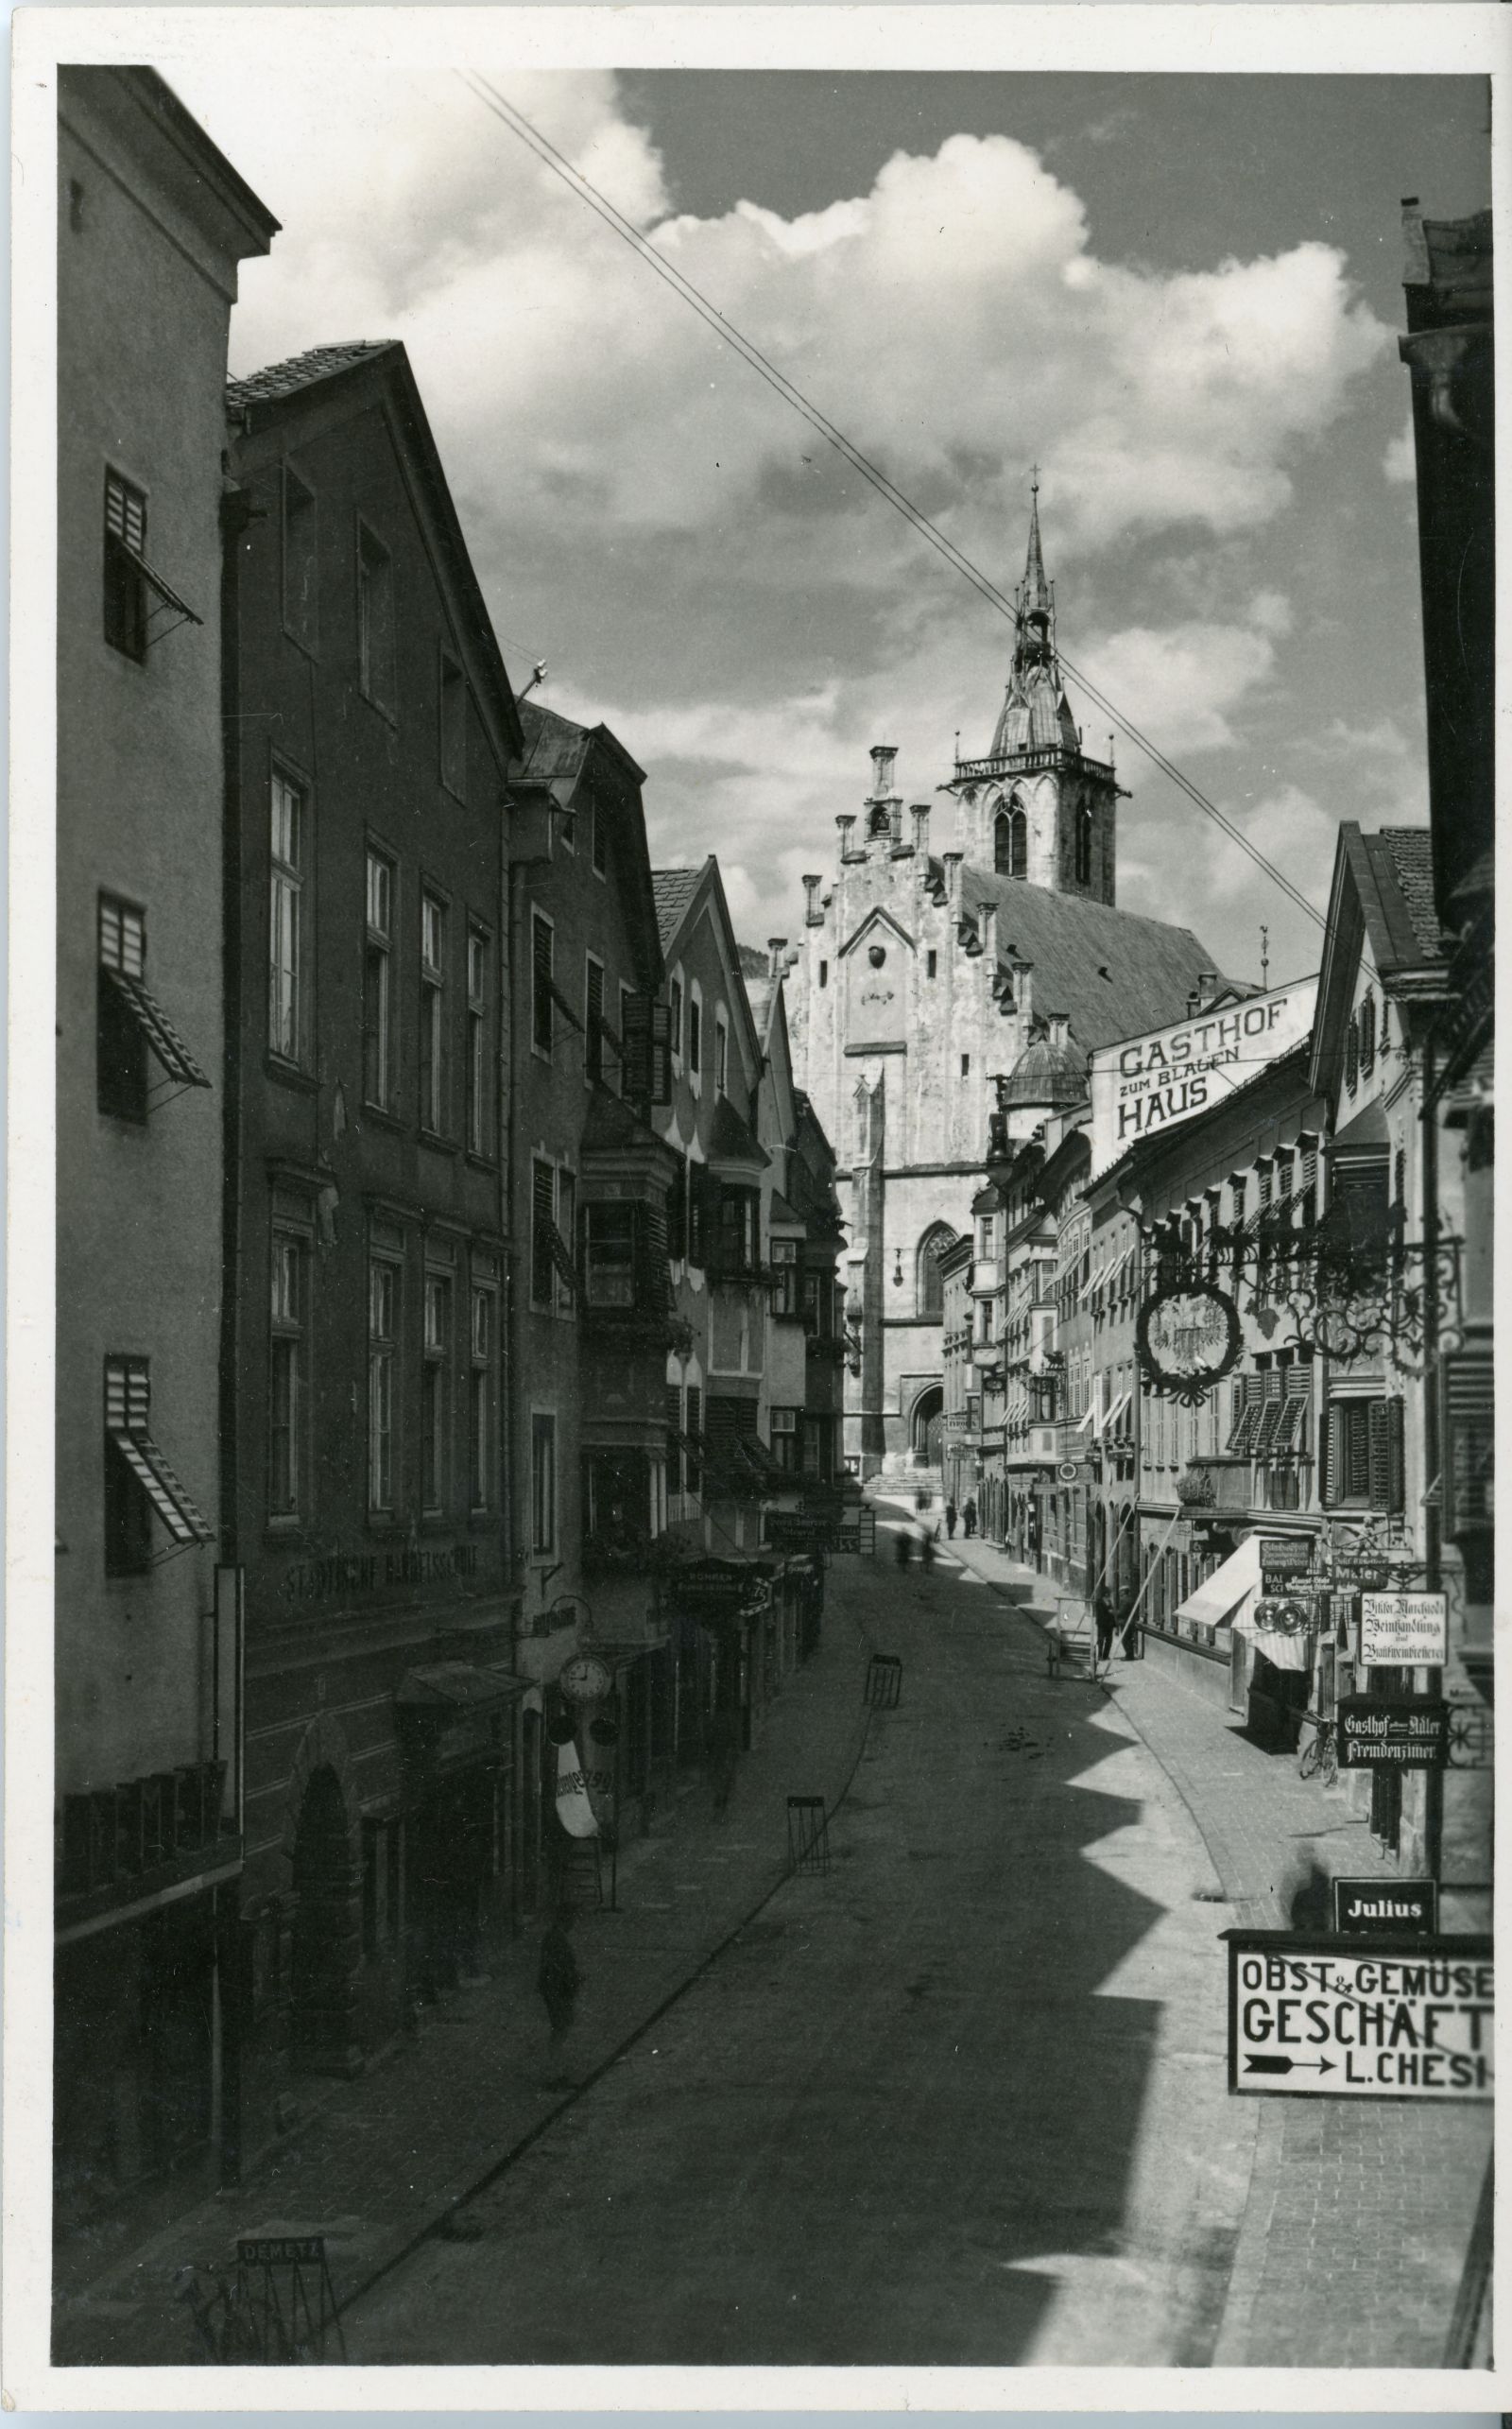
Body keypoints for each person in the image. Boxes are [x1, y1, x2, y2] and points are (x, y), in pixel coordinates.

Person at [538, 1911, 581, 2082]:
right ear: (566, 1920)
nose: (574, 1925)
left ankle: (557, 2072)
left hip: (558, 1989)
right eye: (573, 1920)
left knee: (561, 2030)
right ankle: (555, 2074)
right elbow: (557, 1967)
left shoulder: (555, 1936)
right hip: (557, 1991)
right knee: (560, 2031)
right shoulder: (556, 1938)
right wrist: (572, 1978)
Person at [1094, 1585, 1116, 1667]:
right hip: (1102, 1624)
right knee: (1101, 1640)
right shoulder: (1099, 1602)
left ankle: (1105, 1655)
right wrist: (1109, 1612)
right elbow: (1101, 1614)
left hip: (1109, 1624)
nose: (1108, 1595)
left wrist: (1113, 1622)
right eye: (1107, 1593)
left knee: (1109, 1640)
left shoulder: (1109, 1601)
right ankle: (1100, 1656)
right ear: (1104, 1594)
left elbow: (1111, 1612)